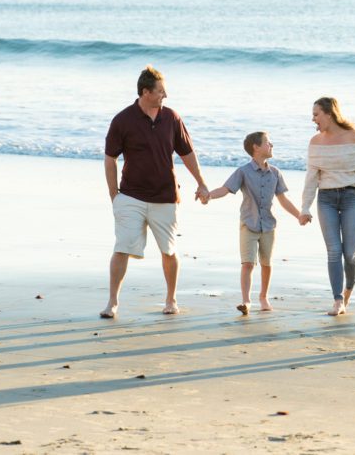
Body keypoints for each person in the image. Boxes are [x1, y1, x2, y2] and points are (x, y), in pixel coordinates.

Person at [100, 65, 209, 319]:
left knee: (169, 251)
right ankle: (112, 302)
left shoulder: (171, 118)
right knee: (122, 247)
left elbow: (187, 153)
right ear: (145, 92)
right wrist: (113, 194)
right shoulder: (122, 120)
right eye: (160, 91)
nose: (165, 95)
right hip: (131, 196)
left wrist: (201, 183)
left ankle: (171, 299)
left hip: (165, 197)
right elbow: (110, 159)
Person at [202, 131, 305, 314]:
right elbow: (225, 189)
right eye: (268, 142)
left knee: (266, 263)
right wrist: (209, 195)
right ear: (256, 148)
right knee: (248, 263)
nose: (271, 145)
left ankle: (263, 297)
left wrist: (299, 215)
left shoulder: (275, 173)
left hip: (268, 225)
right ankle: (246, 301)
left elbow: (283, 200)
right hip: (248, 223)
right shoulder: (243, 171)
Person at [300, 97, 355, 316]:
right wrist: (304, 208)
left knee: (350, 253)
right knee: (334, 251)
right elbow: (311, 178)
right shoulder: (315, 142)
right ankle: (337, 300)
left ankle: (348, 291)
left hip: (351, 197)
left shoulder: (353, 137)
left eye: (316, 114)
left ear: (329, 114)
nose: (313, 119)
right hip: (325, 198)